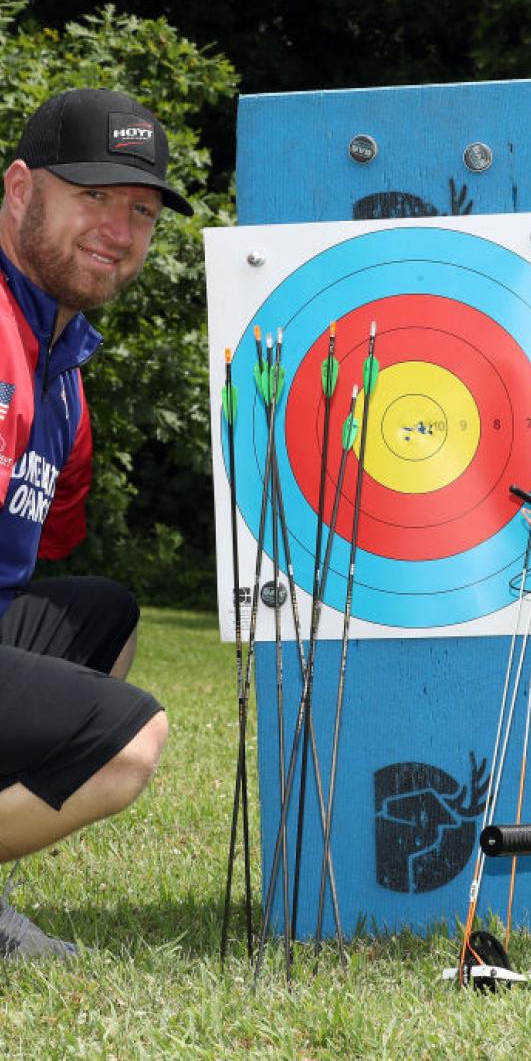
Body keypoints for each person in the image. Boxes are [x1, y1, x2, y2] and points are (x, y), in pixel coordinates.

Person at [0, 88, 193, 958]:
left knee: (102, 613)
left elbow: (49, 546)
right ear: (18, 191)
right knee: (129, 739)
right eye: (93, 197)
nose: (120, 228)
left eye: (141, 210)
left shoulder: (66, 370)